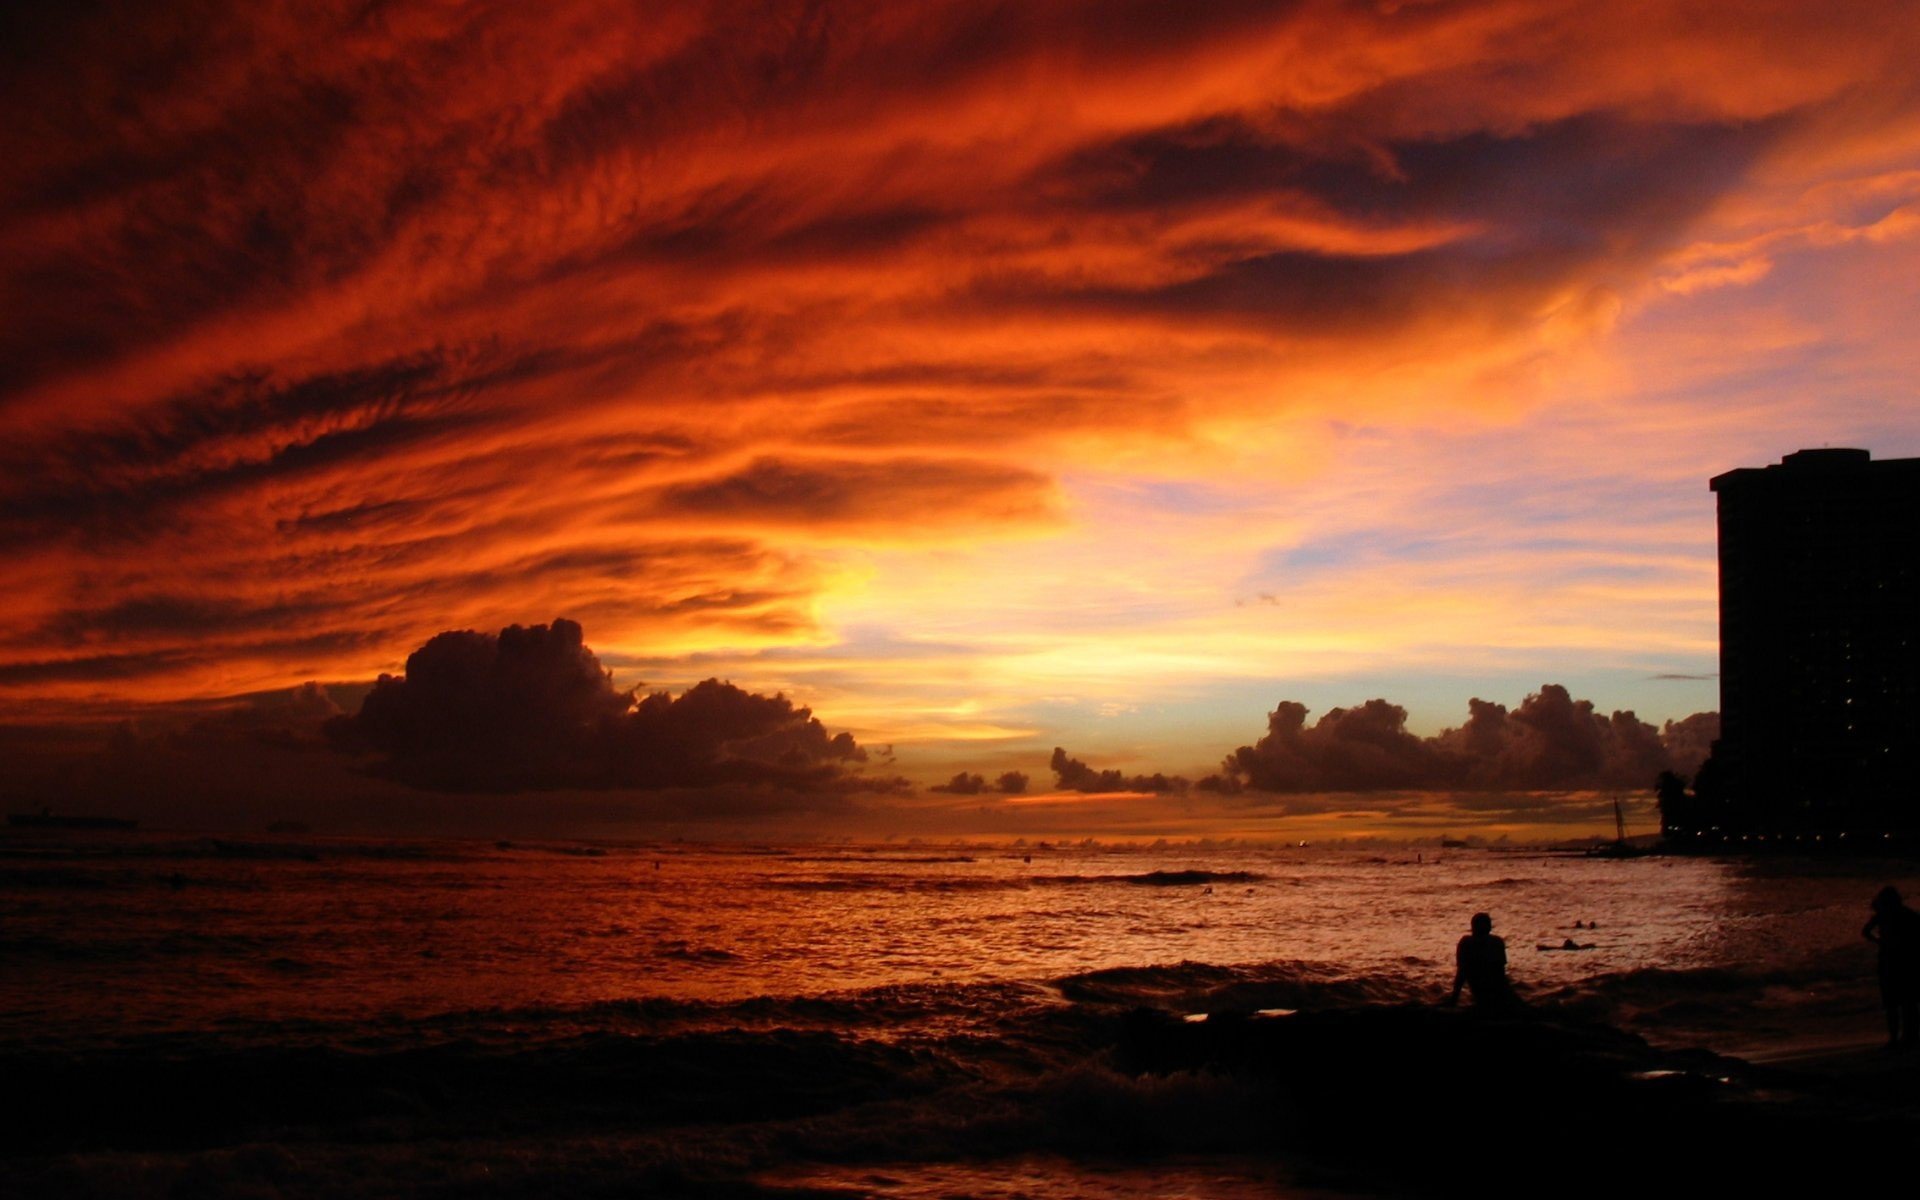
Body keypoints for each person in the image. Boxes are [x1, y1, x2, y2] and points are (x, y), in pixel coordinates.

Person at [1862, 886, 1920, 1048]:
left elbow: (1865, 932)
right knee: (1908, 1002)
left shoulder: (1882, 916)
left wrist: (1879, 941)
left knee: (1892, 1003)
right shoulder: (1909, 915)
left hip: (1888, 960)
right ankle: (1910, 1036)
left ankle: (1895, 1038)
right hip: (1907, 961)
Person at [1448, 911, 1519, 1010]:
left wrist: (1454, 999)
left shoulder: (1467, 943)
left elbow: (1461, 973)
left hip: (1489, 995)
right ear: (1489, 927)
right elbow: (1501, 974)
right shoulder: (1496, 942)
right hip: (1499, 993)